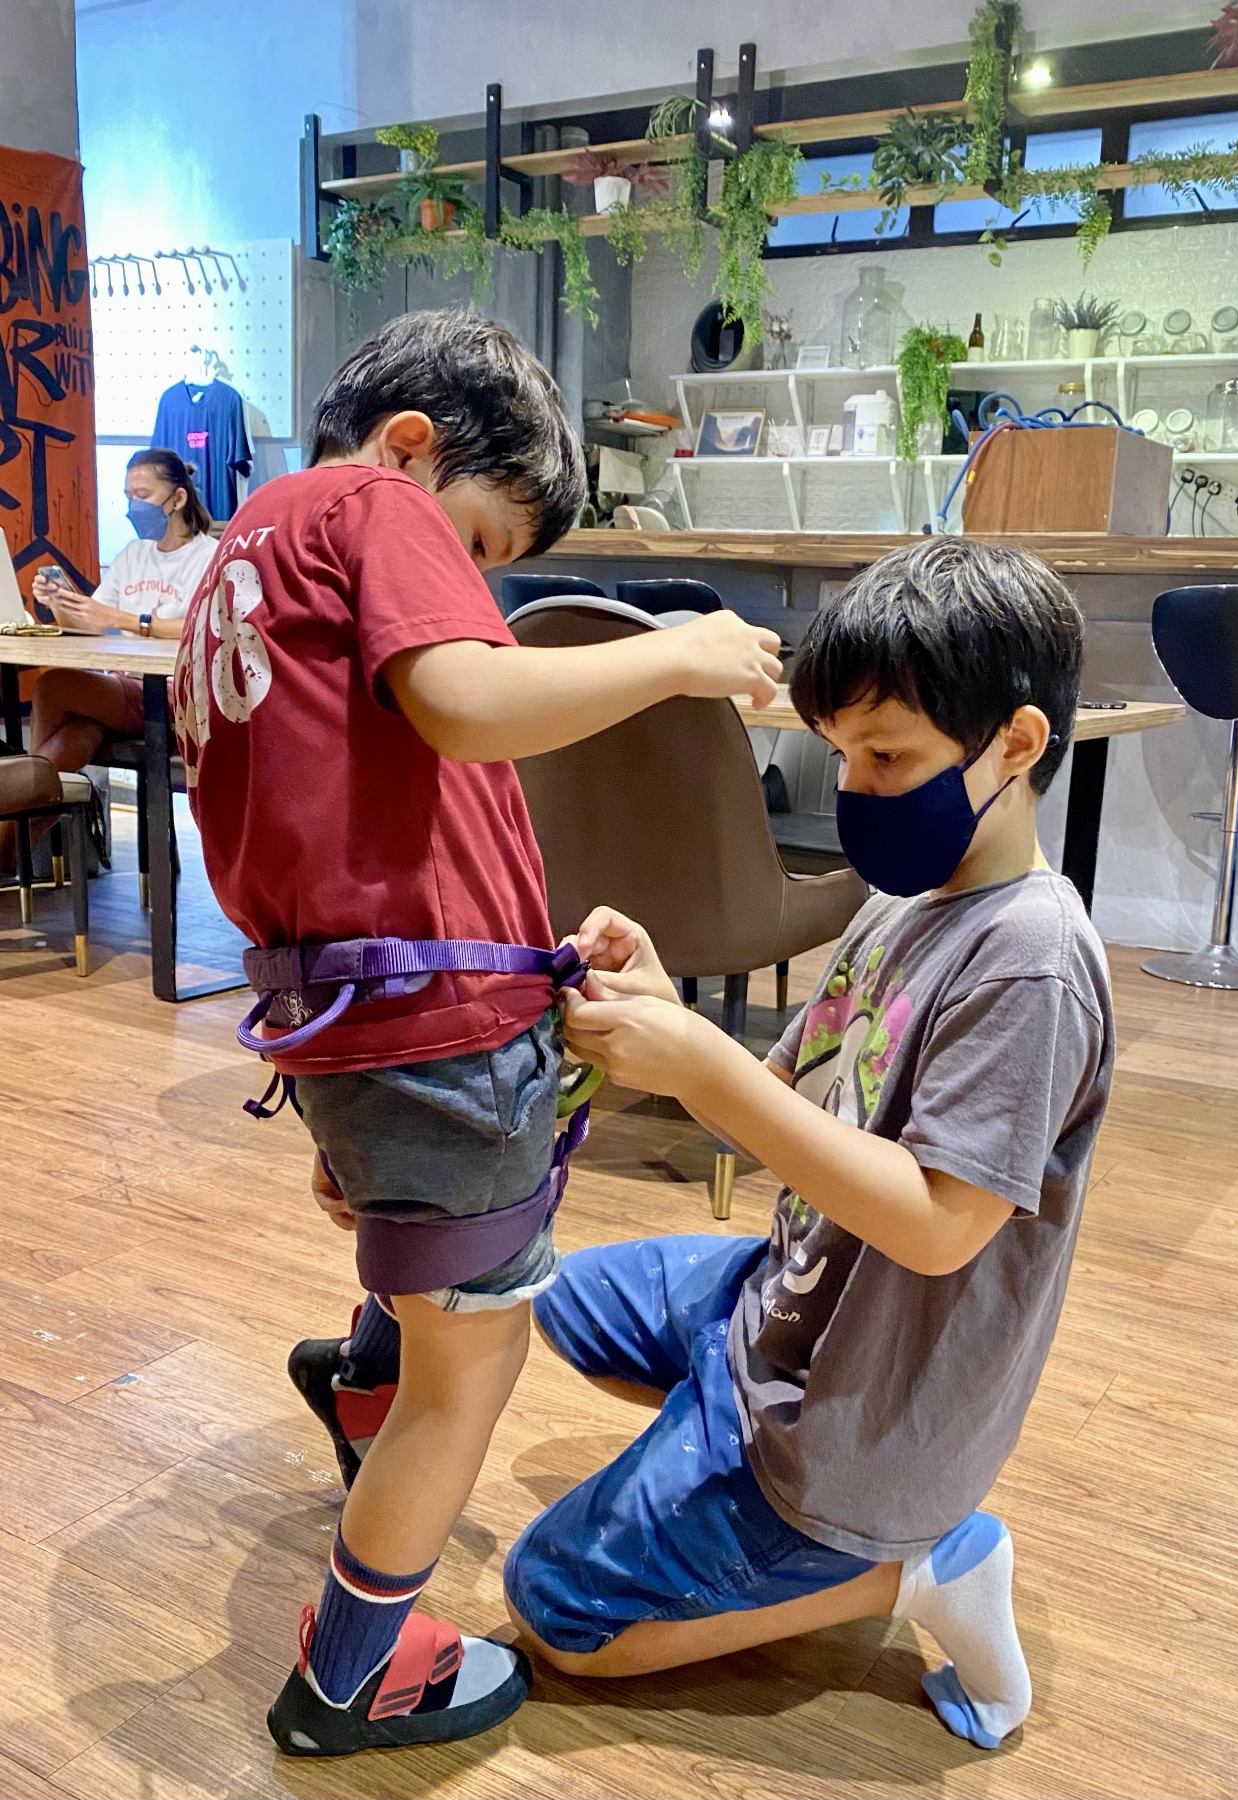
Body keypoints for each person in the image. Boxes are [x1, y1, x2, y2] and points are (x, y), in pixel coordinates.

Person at [303, 538, 1114, 1751]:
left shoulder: (1032, 963)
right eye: (841, 755)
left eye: (888, 757)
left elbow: (942, 1226)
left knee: (559, 1612)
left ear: (1018, 742)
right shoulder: (912, 899)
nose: (857, 788)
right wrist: (668, 1012)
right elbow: (790, 1090)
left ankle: (909, 1570)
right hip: (792, 1294)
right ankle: (717, 1463)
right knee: (547, 1300)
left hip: (868, 1409)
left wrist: (701, 1063)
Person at [174, 308, 783, 1760]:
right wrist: (678, 652)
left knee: (437, 1270)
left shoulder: (248, 549)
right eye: (483, 550)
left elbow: (386, 794)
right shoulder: (373, 503)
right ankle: (354, 1676)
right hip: (427, 1022)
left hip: (357, 1003)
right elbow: (463, 703)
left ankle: (362, 1383)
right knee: (478, 1368)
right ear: (410, 448)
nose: (471, 591)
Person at [29, 449, 216, 769]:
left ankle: (26, 793)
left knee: (53, 686)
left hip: (176, 691)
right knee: (79, 732)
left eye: (143, 495)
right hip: (123, 683)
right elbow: (92, 625)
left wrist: (123, 619)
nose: (133, 507)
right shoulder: (132, 554)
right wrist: (59, 602)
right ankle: (31, 799)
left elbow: (203, 628)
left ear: (178, 498)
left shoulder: (210, 556)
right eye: (129, 497)